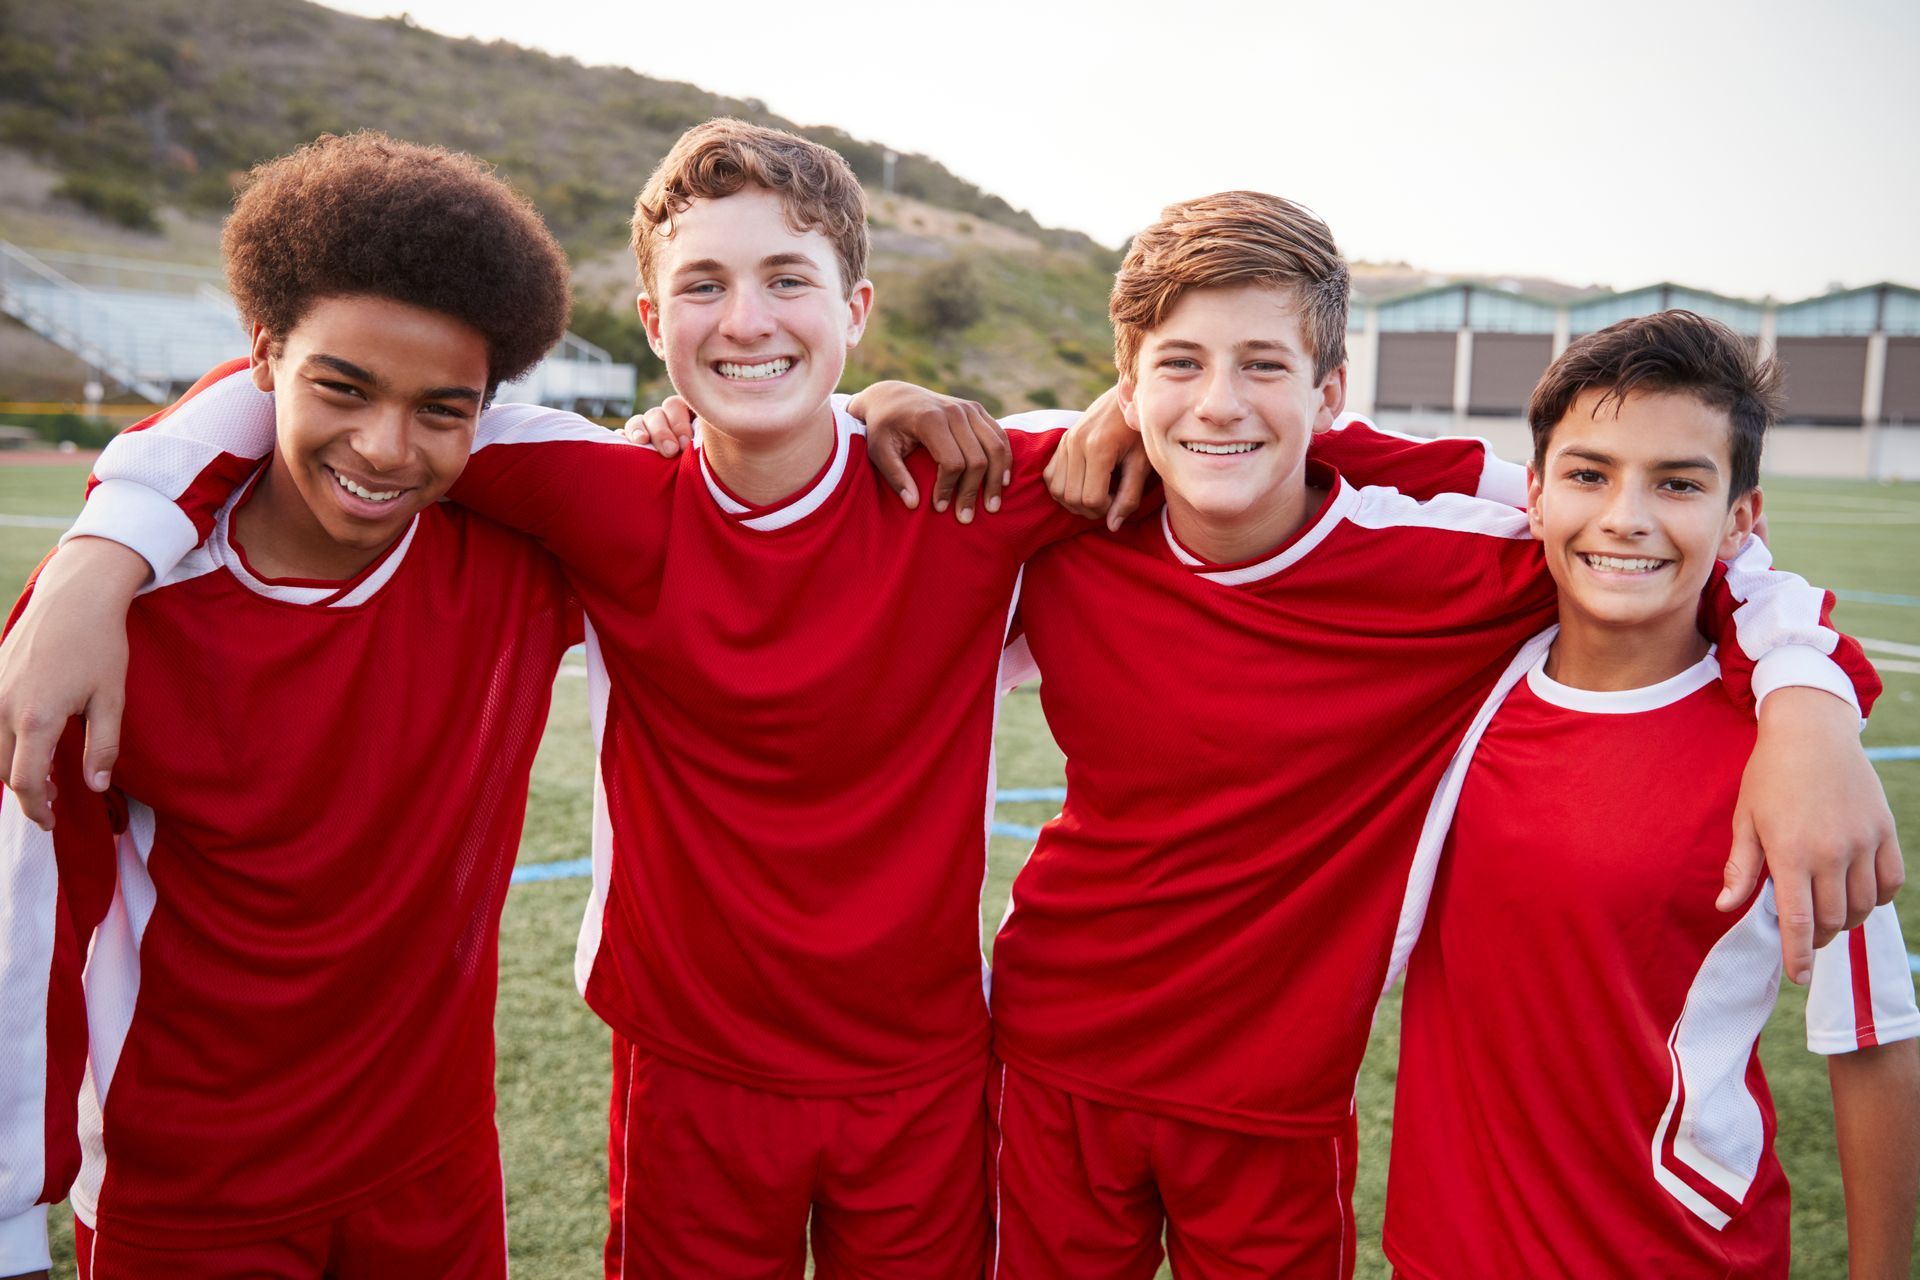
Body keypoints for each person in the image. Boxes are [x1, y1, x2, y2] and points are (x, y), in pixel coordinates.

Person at [1, 137, 1890, 1275]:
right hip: (713, 1060)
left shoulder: (999, 488)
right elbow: (319, 383)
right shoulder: (594, 486)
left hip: (957, 1070)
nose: (749, 320)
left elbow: (1634, 517)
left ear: (859, 304)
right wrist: (106, 542)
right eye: (706, 287)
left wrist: (1802, 691)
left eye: (790, 282)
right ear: (653, 321)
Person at [967, 192, 1885, 1277]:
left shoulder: (1456, 552)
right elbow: (853, 468)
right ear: (1128, 383)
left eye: (1264, 363)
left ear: (1332, 392)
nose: (1220, 402)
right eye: (1179, 365)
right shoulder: (1066, 524)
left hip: (1279, 1096)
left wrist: (1806, 701)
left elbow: (1676, 540)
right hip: (1054, 1053)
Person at [0, 130, 581, 1280]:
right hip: (193, 1195)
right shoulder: (113, 628)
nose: (383, 445)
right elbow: (22, 930)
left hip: (436, 1171)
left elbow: (729, 470)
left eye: (441, 409)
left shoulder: (522, 556)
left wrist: (889, 410)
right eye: (343, 387)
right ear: (261, 351)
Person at [1383, 311, 1919, 1278]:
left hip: (1676, 1257)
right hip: (1442, 1248)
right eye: (1590, 474)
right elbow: (1307, 455)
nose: (1627, 515)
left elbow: (1872, 1043)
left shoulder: (1790, 761)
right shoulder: (1459, 687)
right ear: (1535, 495)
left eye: (1679, 483)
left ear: (1741, 519)